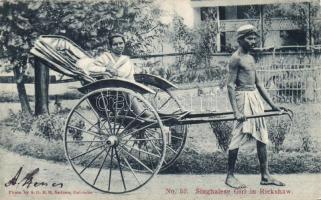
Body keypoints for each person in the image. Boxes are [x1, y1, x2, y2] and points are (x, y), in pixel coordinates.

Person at [226, 24, 286, 189]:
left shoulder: (251, 58)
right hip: (242, 98)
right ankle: (230, 176)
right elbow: (230, 85)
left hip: (254, 98)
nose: (253, 41)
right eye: (249, 38)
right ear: (240, 39)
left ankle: (265, 175)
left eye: (254, 38)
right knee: (238, 135)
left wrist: (273, 106)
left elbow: (259, 83)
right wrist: (236, 111)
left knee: (262, 135)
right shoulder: (235, 58)